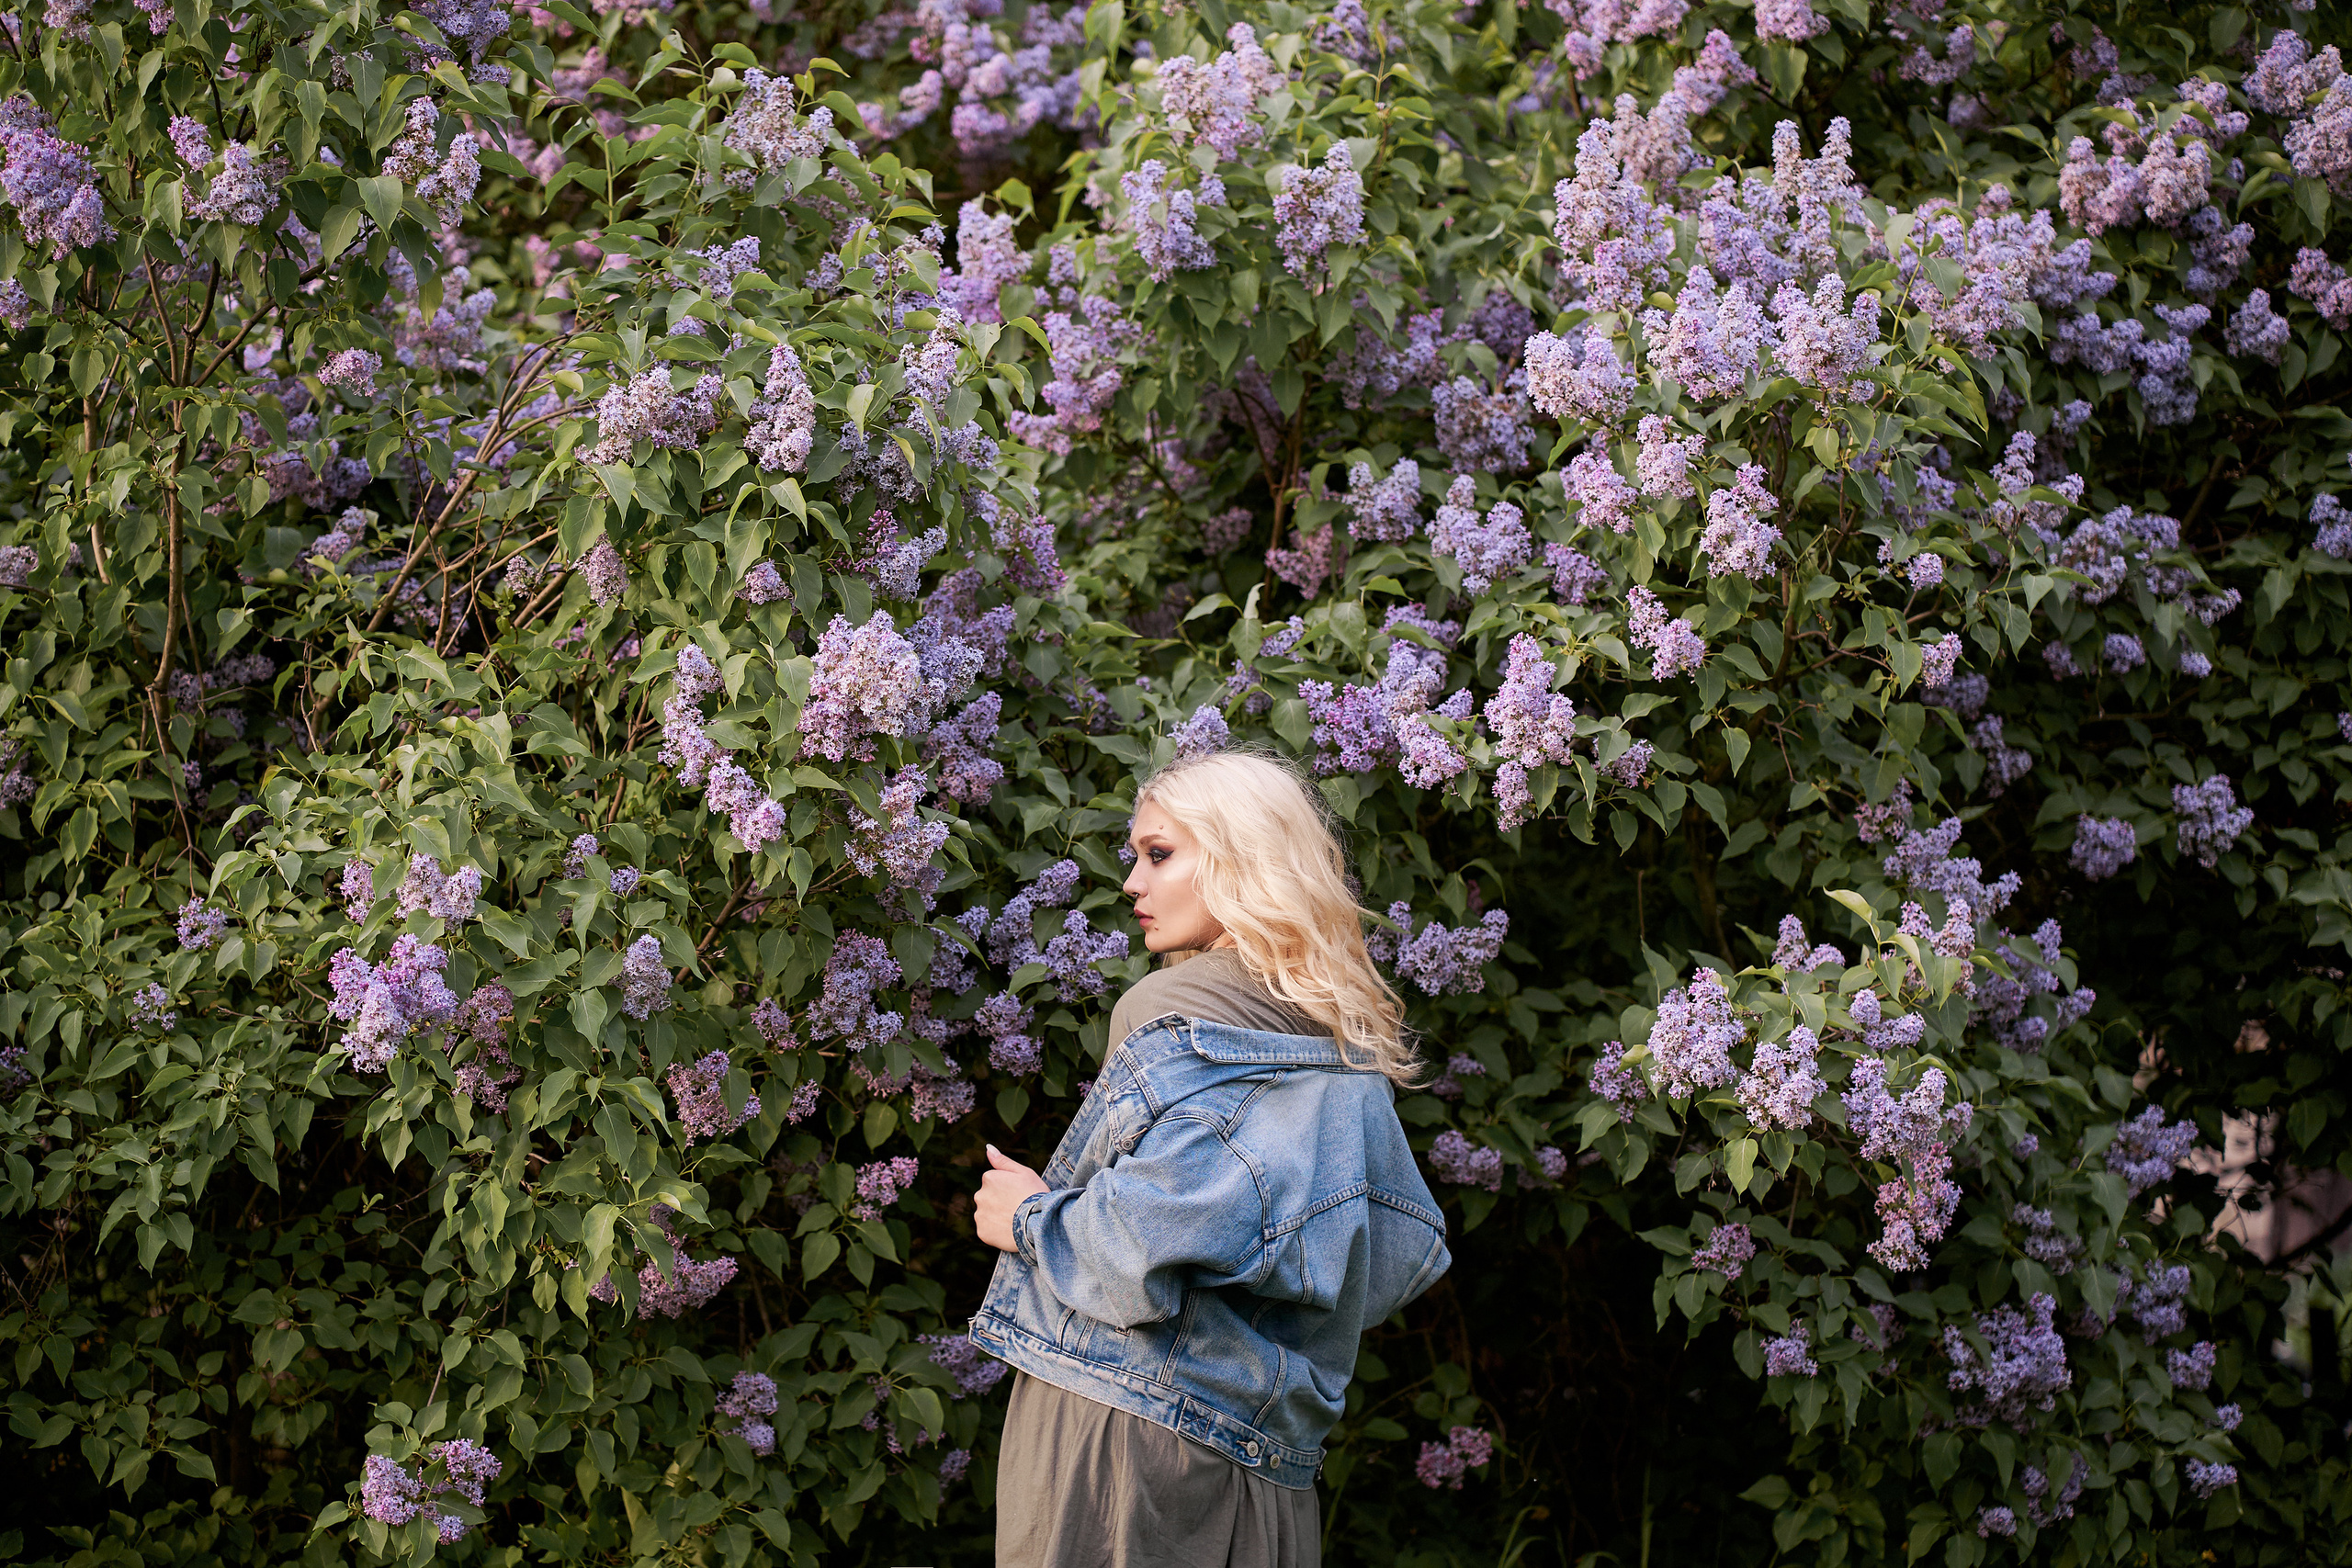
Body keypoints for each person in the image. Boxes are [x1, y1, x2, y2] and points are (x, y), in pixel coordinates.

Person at [966, 750, 1452, 1568]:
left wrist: (1025, 1216)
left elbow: (1135, 1248)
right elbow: (1389, 1259)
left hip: (1122, 1437)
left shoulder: (1168, 1013)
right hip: (1270, 1460)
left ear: (1242, 859)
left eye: (1159, 853)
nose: (1130, 884)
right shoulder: (1346, 1047)